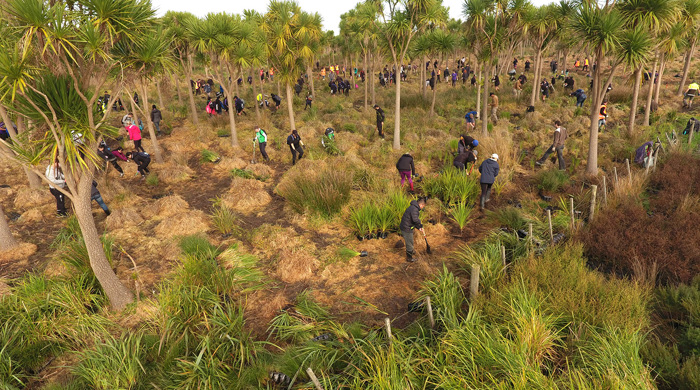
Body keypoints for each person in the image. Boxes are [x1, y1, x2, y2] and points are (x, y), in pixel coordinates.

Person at [399, 198, 426, 263]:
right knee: (409, 243)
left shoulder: (413, 207)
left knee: (410, 241)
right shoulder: (414, 209)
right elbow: (415, 220)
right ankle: (409, 258)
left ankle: (411, 251)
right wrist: (420, 225)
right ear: (421, 205)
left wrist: (419, 228)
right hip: (406, 228)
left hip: (407, 226)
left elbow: (412, 220)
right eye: (423, 206)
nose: (422, 208)